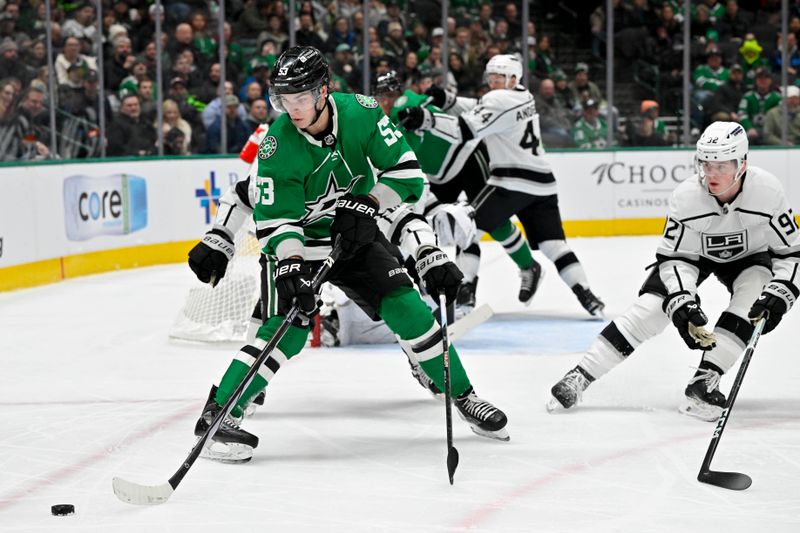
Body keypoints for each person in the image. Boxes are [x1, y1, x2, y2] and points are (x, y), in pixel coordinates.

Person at [186, 46, 509, 462]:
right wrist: (288, 265)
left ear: (324, 91)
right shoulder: (275, 146)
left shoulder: (364, 112)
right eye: (284, 99)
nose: (292, 108)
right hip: (301, 242)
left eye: (300, 98)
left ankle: (464, 396)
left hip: (356, 235)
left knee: (409, 310)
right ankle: (219, 416)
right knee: (289, 326)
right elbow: (277, 220)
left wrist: (372, 205)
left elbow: (407, 175)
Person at [548, 121, 800, 421]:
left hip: (750, 257)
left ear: (742, 163)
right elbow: (675, 257)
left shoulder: (768, 191)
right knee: (651, 309)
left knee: (754, 301)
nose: (712, 173)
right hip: (691, 258)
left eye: (722, 165)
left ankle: (704, 381)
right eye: (707, 163)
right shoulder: (687, 197)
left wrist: (782, 290)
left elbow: (791, 252)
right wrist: (682, 300)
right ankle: (581, 374)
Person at [400, 55, 606, 317]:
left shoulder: (498, 100)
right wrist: (449, 101)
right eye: (492, 79)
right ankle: (587, 296)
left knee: (467, 228)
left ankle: (465, 298)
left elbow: (464, 129)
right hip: (543, 183)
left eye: (499, 79)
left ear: (513, 79)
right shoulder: (523, 96)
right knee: (554, 245)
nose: (494, 83)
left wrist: (427, 119)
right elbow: (482, 109)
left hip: (511, 182)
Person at [374, 70, 542, 316]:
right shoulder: (390, 118)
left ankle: (528, 265)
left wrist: (421, 118)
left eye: (385, 95)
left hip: (467, 158)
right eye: (380, 96)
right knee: (449, 224)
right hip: (440, 174)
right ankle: (465, 290)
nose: (383, 101)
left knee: (490, 220)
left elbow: (433, 124)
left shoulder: (408, 103)